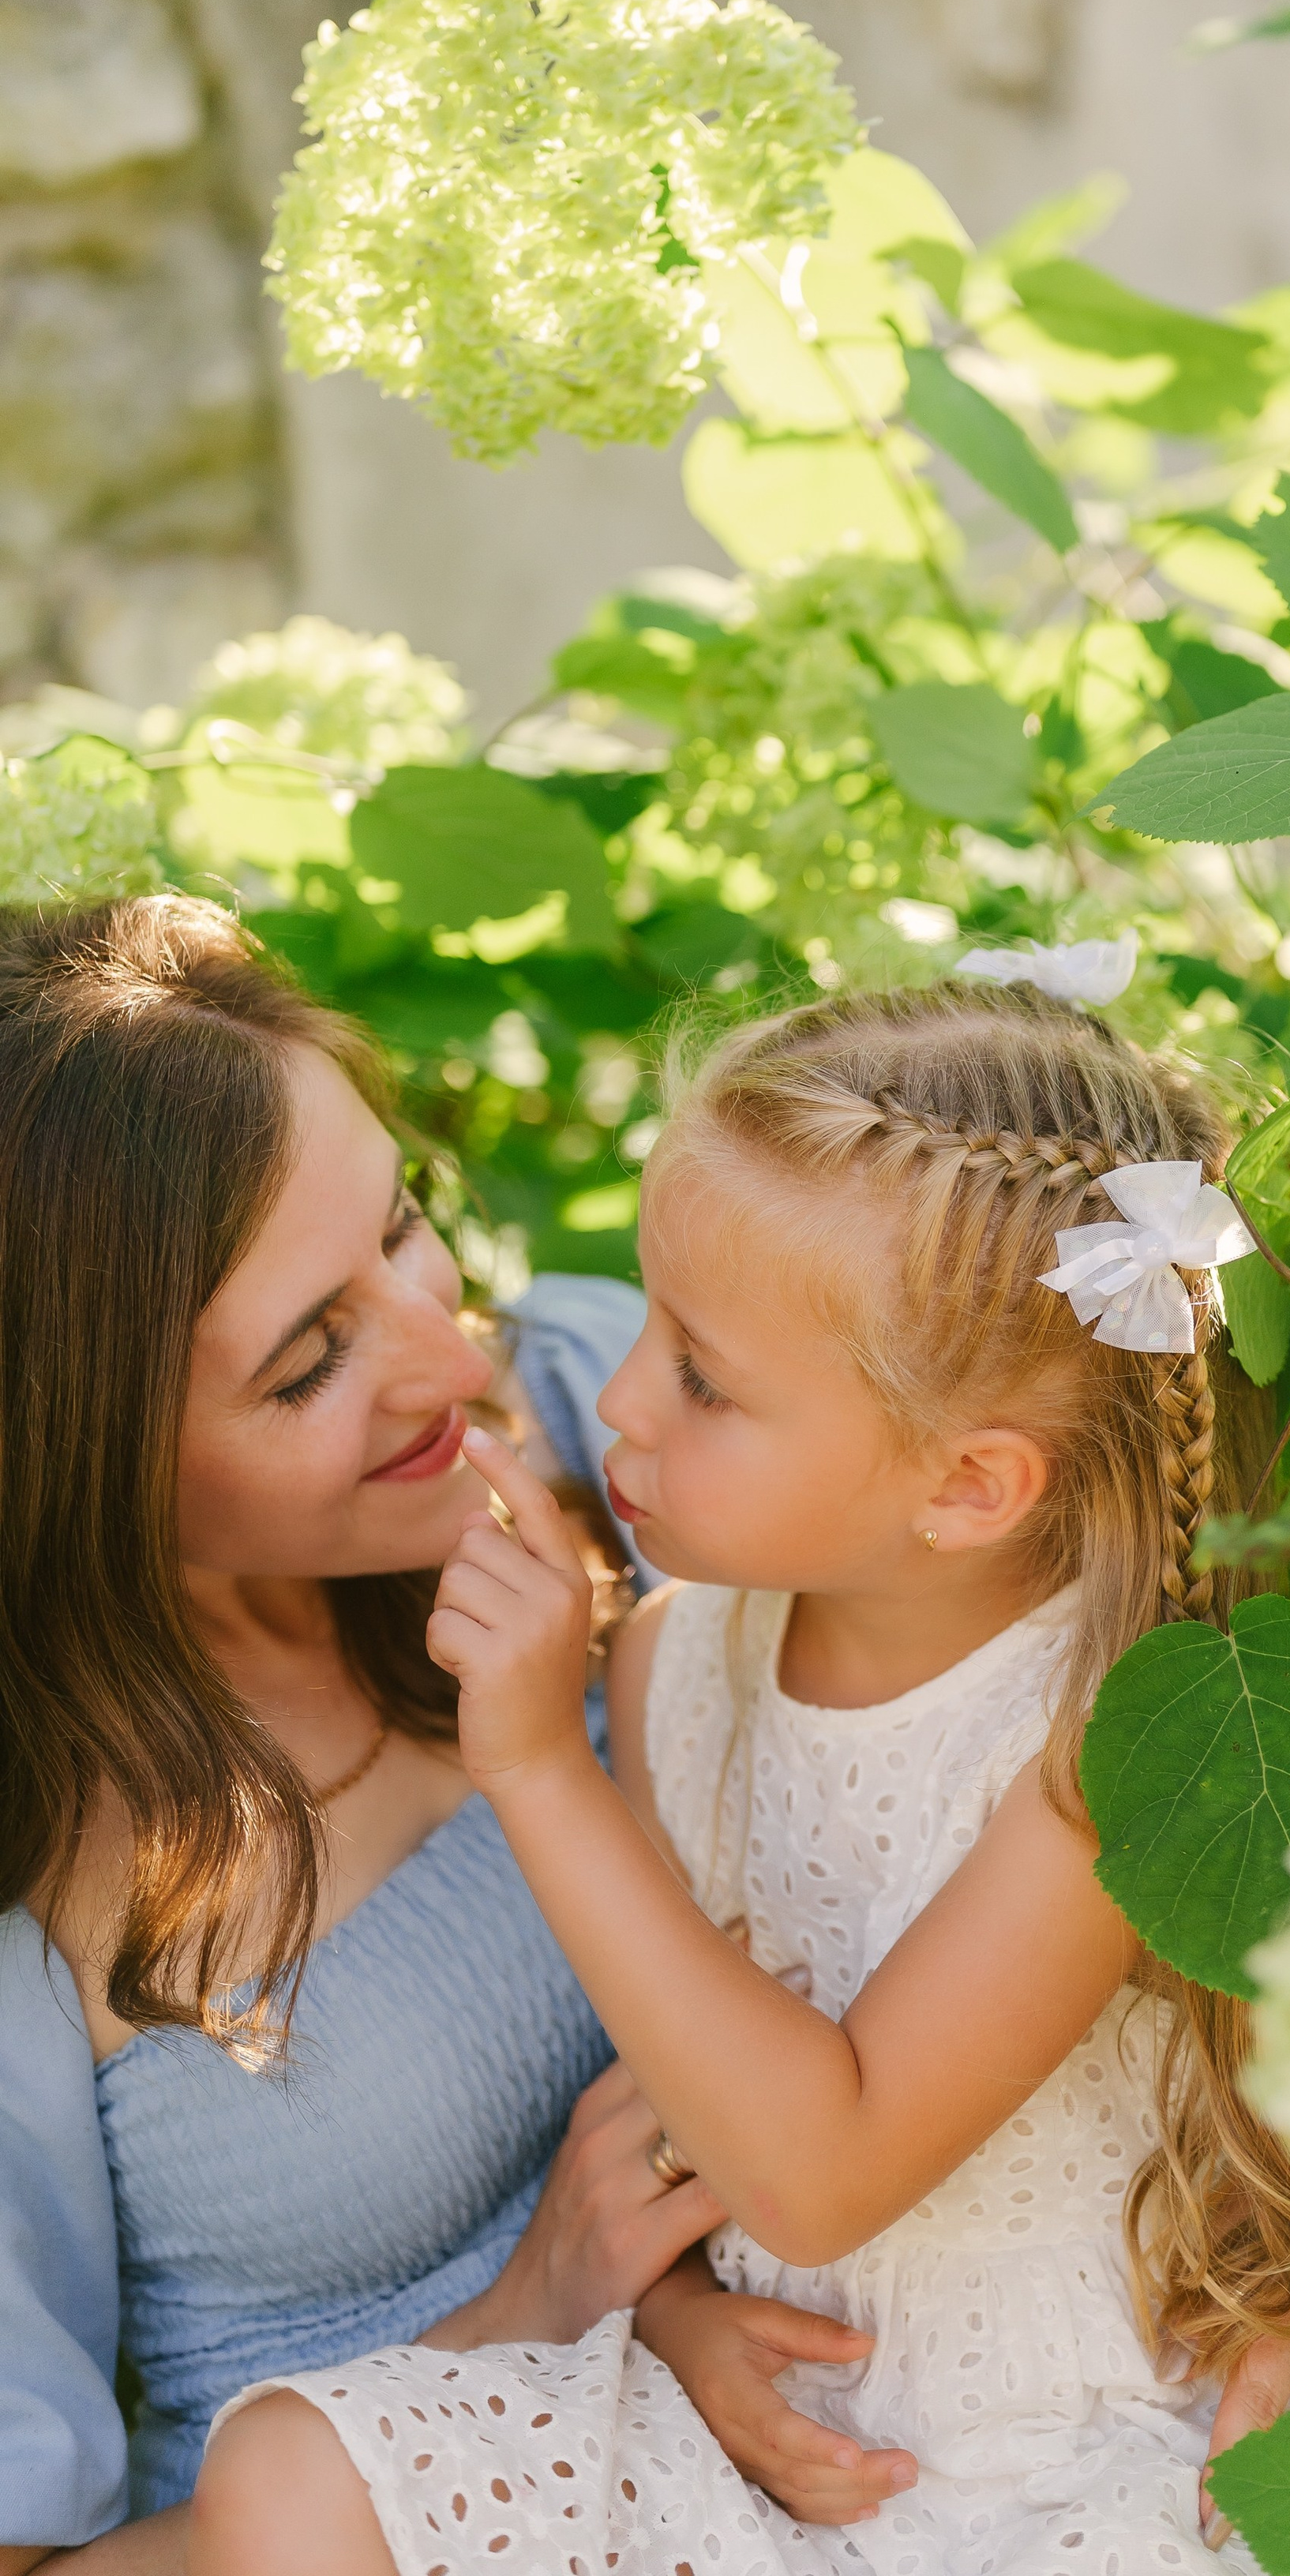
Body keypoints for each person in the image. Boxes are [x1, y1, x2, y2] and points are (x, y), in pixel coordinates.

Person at [194, 983, 1290, 2576]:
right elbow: (693, 2105)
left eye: (702, 1375)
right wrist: (672, 2313)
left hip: (1067, 2466)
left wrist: (538, 1770)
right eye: (652, 1326)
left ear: (964, 1486)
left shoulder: (1095, 1748)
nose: (611, 1396)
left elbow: (819, 2168)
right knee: (286, 2475)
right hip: (789, 2447)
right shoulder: (672, 1665)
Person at [0, 897, 853, 2572]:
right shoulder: (35, 1903)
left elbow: (1044, 1726)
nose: (444, 1358)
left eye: (399, 1229)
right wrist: (531, 2310)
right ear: (83, 1470)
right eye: (310, 1361)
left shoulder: (615, 1389)